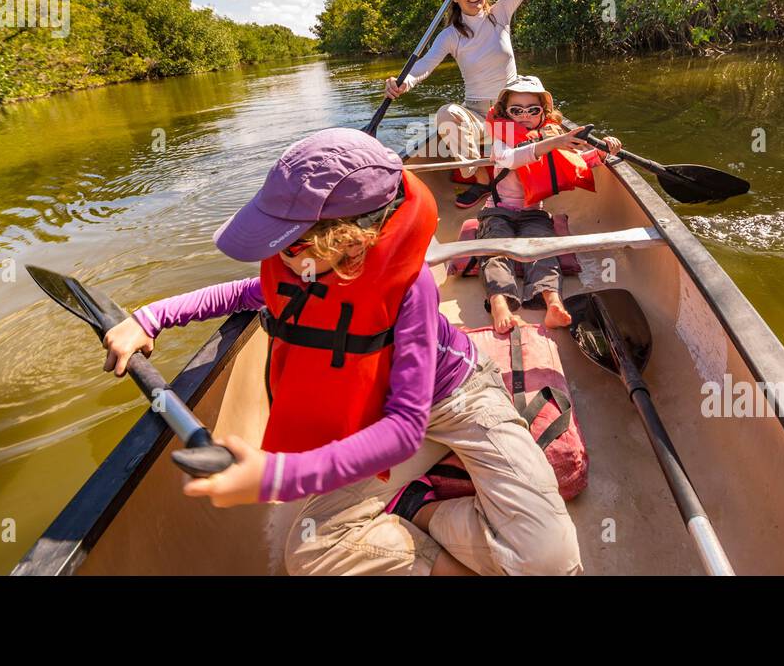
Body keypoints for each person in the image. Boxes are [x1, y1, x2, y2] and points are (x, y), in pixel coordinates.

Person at [101, 127, 582, 576]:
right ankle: (419, 506)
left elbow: (404, 429)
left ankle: (419, 506)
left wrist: (276, 477)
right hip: (368, 415)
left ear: (350, 242)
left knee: (550, 559)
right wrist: (148, 318)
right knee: (308, 550)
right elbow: (239, 294)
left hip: (456, 401)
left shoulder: (411, 287)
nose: (280, 257)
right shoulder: (301, 267)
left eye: (293, 245)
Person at [383, 0, 541, 209]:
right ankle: (484, 181)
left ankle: (513, 167)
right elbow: (424, 66)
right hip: (477, 116)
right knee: (446, 113)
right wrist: (403, 83)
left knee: (532, 108)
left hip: (510, 110)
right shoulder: (451, 35)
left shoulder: (501, 14)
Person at [480, 76, 621, 334]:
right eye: (516, 110)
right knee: (496, 253)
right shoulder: (501, 141)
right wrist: (554, 143)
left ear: (543, 114)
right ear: (504, 113)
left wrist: (603, 151)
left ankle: (552, 302)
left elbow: (580, 162)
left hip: (534, 215)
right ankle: (500, 302)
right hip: (497, 212)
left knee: (545, 253)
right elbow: (510, 159)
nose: (524, 116)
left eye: (533, 110)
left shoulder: (550, 137)